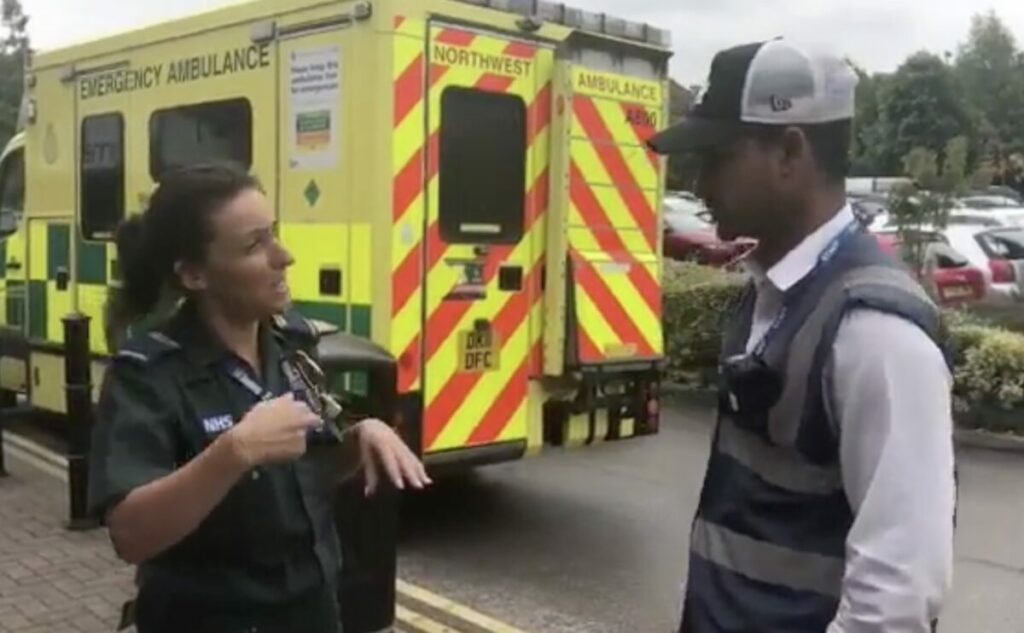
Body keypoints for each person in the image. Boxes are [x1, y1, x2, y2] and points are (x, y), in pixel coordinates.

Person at [648, 39, 956, 632]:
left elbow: (895, 597)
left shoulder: (877, 335)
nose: (697, 181)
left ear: (790, 152)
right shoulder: (768, 294)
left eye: (715, 156)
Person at [87, 162, 432, 633]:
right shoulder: (148, 376)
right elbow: (130, 535)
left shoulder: (292, 343)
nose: (284, 256)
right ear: (194, 275)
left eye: (274, 234)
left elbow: (309, 473)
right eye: (255, 245)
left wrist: (359, 439)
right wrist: (234, 451)